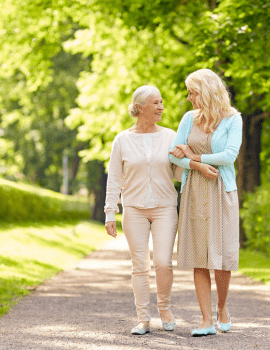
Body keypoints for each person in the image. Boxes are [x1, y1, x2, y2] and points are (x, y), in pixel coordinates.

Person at [169, 69, 242, 336]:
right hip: (194, 191)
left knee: (221, 257)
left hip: (223, 191)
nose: (188, 98)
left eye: (192, 92)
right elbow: (174, 153)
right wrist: (194, 165)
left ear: (207, 91)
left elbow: (229, 156)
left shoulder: (234, 119)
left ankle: (222, 308)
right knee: (200, 256)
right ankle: (205, 320)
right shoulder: (189, 119)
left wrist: (194, 156)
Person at [104, 85, 178, 335]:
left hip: (165, 207)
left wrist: (184, 158)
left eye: (161, 102)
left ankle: (165, 307)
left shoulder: (170, 136)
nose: (161, 107)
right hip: (133, 208)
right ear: (140, 108)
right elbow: (114, 178)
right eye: (156, 103)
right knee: (139, 266)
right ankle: (143, 319)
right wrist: (109, 211)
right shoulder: (122, 140)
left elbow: (178, 174)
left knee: (163, 262)